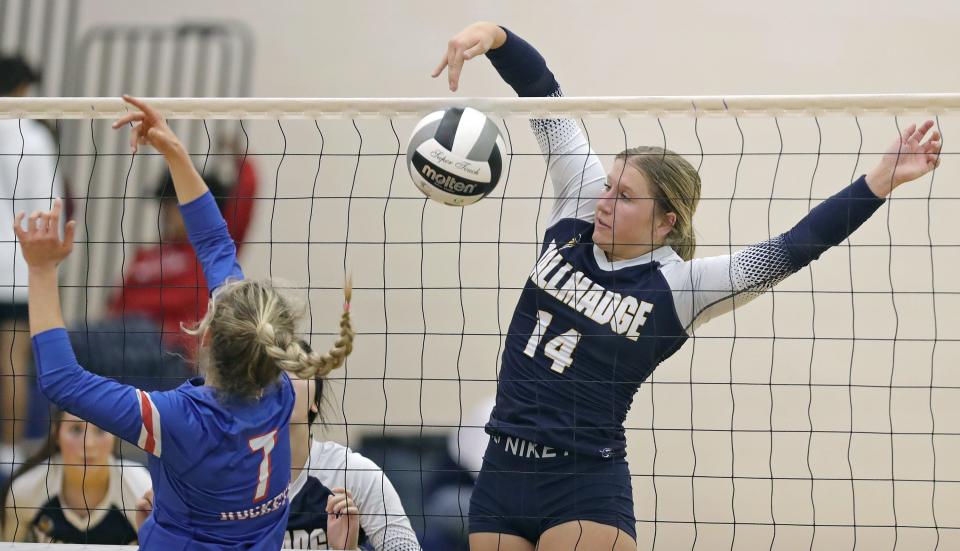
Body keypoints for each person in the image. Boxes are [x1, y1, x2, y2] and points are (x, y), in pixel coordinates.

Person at [432, 22, 943, 551]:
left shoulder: (682, 286)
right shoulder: (580, 207)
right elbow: (545, 100)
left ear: (666, 222)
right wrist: (497, 37)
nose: (605, 200)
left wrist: (881, 180)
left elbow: (797, 246)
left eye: (625, 196)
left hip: (580, 484)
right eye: (608, 185)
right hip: (499, 471)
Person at [12, 95, 355, 549]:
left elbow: (61, 381)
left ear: (208, 334)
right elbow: (215, 244)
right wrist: (173, 150)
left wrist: (37, 271)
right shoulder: (281, 392)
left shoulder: (179, 419)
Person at [285, 343, 421, 550]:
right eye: (272, 370)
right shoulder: (229, 478)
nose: (285, 379)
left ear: (315, 401)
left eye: (298, 369)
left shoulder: (355, 473)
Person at [0, 54, 64, 477]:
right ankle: (9, 454)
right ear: (22, 88)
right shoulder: (35, 138)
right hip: (17, 267)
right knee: (12, 361)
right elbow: (49, 208)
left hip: (12, 265)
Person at [1, 409, 150, 543]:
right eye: (76, 429)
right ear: (56, 434)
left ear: (115, 436)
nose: (89, 444)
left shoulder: (141, 490)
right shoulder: (25, 490)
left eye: (100, 430)